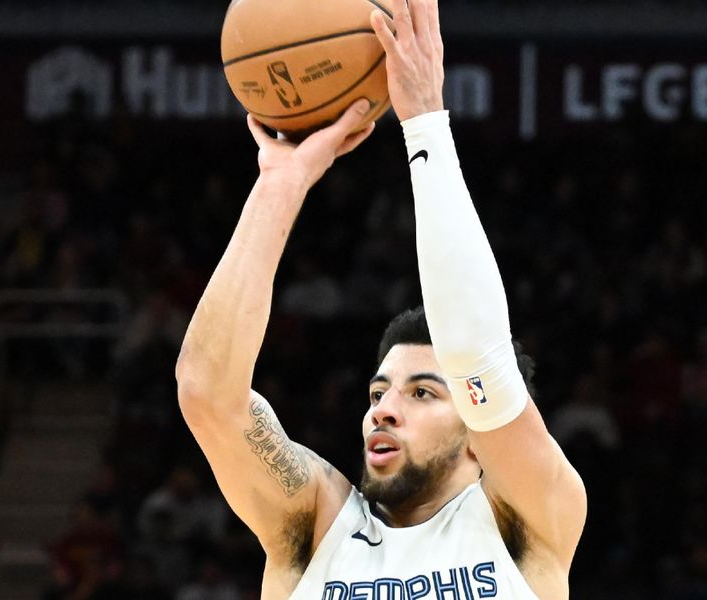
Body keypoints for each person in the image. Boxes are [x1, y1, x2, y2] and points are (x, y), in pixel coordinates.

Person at [175, 0, 587, 597]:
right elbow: (206, 393)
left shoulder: (525, 518)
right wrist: (280, 185)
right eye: (378, 391)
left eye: (423, 392)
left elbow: (475, 352)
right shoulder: (315, 527)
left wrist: (424, 124)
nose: (383, 410)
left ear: (480, 436)